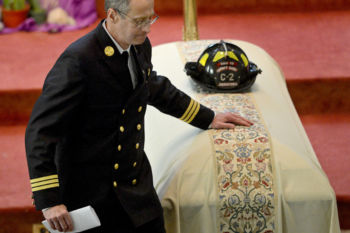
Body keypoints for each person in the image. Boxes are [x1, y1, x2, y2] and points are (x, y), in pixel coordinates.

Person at [25, 0, 253, 232]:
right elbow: (41, 132)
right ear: (113, 15)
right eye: (140, 21)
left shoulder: (140, 45)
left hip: (135, 185)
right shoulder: (78, 61)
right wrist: (49, 201)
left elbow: (150, 86)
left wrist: (207, 118)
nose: (148, 28)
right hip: (90, 193)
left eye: (150, 18)